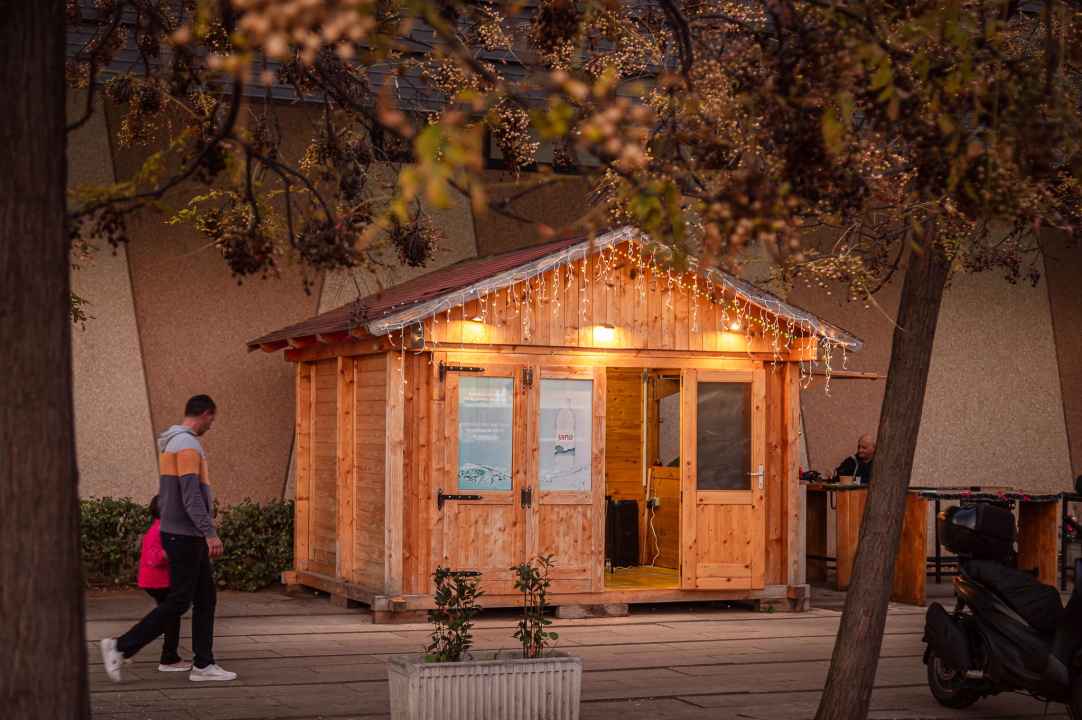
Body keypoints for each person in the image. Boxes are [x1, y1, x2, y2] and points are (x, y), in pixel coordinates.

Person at [100, 395, 237, 683]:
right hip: (185, 534)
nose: (211, 426)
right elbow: (190, 495)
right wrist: (210, 532)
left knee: (204, 597)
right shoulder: (188, 444)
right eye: (212, 420)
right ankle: (120, 647)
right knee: (179, 601)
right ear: (206, 414)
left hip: (182, 532)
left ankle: (203, 665)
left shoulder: (170, 442)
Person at [139, 495, 191, 672]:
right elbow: (153, 558)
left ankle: (126, 647)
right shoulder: (159, 531)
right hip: (158, 582)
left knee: (166, 619)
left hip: (160, 582)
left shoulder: (164, 529)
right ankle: (168, 658)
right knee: (170, 620)